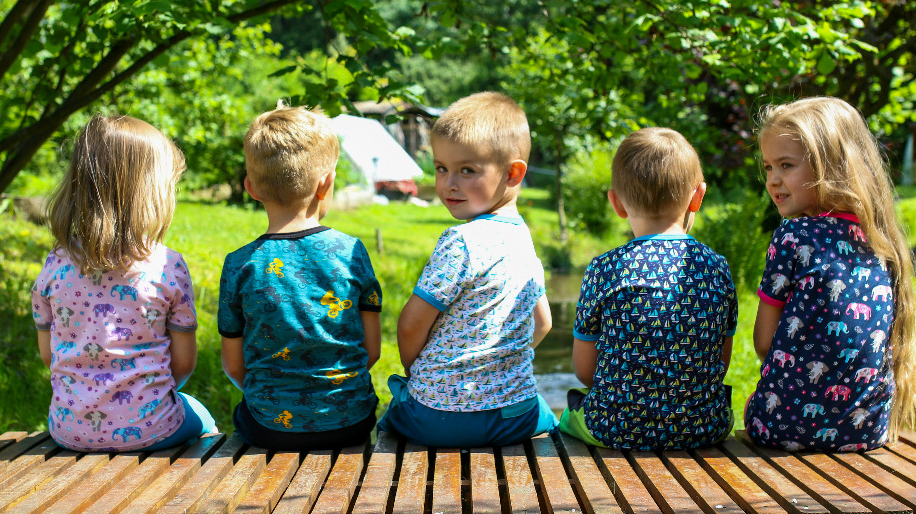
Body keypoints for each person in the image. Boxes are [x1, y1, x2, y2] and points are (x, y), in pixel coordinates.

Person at [377, 91, 557, 447]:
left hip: (437, 418)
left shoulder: (460, 241)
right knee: (549, 415)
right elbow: (543, 323)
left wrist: (419, 377)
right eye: (442, 168)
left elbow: (411, 324)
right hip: (513, 418)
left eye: (467, 170)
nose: (449, 184)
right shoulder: (523, 239)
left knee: (391, 413)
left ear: (513, 173)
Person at [32, 115, 215, 452]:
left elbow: (49, 354)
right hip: (152, 428)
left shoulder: (55, 264)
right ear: (152, 193)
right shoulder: (167, 266)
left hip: (68, 430)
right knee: (201, 415)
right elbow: (184, 364)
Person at [745, 97, 916, 452]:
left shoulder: (794, 235)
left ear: (833, 165)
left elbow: (764, 343)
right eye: (768, 167)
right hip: (867, 432)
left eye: (786, 165)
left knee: (753, 405)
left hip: (782, 427)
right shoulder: (882, 240)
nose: (773, 180)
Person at [557, 128, 737, 450]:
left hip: (615, 430)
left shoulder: (604, 269)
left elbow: (586, 372)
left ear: (616, 202)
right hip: (703, 428)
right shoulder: (717, 267)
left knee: (568, 415)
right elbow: (718, 365)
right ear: (698, 196)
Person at [218, 105, 382, 450]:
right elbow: (373, 350)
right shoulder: (352, 252)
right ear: (326, 184)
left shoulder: (239, 264)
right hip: (350, 421)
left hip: (268, 426)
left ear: (251, 187)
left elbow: (233, 366)